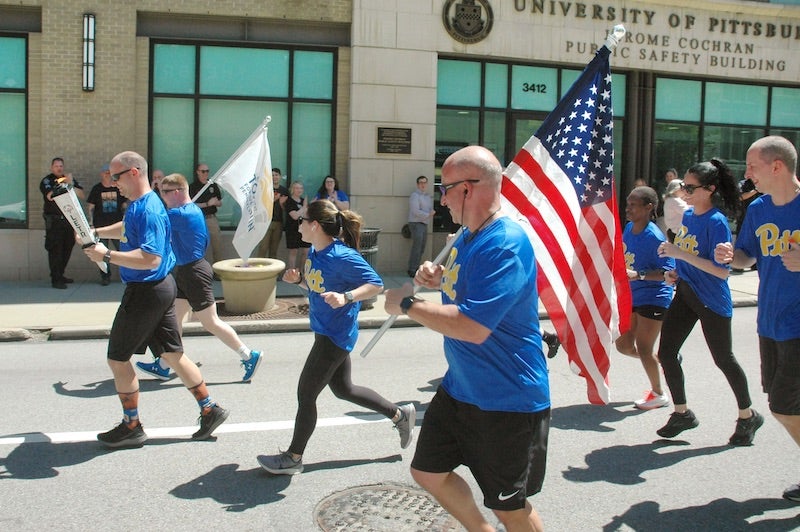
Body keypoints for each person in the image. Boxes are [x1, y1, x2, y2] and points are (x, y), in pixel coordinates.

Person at [384, 146, 550, 531]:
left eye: (445, 187)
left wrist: (408, 304)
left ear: (469, 189)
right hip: (461, 388)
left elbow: (474, 327)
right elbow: (468, 286)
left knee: (510, 507)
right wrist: (438, 277)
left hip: (507, 399)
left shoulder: (504, 242)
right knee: (428, 471)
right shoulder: (467, 236)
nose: (440, 197)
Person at [257, 199, 415, 475]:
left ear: (315, 225)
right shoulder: (315, 253)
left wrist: (347, 296)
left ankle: (293, 457)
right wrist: (298, 282)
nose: (299, 223)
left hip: (335, 335)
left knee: (306, 393)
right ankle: (400, 414)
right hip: (324, 330)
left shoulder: (342, 256)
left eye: (303, 219)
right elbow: (317, 287)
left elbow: (376, 284)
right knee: (344, 389)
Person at [83, 151, 228, 448]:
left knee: (118, 359)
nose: (113, 183)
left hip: (146, 291)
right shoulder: (141, 205)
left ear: (134, 172)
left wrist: (107, 255)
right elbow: (127, 229)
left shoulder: (148, 208)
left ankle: (132, 426)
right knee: (173, 354)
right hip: (160, 288)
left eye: (116, 176)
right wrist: (95, 232)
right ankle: (210, 409)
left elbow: (150, 258)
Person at [714, 135, 800, 502]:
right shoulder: (761, 208)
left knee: (784, 404)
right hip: (770, 322)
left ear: (776, 166)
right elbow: (748, 257)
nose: (746, 174)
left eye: (752, 166)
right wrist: (730, 255)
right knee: (781, 402)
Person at [655, 158, 762, 445]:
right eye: (683, 187)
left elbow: (721, 270)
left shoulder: (716, 222)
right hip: (687, 292)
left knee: (723, 360)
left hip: (712, 299)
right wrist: (676, 272)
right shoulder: (688, 216)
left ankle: (747, 415)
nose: (684, 192)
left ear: (710, 189)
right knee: (666, 353)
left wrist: (680, 254)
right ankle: (682, 413)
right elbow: (691, 257)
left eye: (690, 187)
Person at [134, 172, 263, 383]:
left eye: (164, 192)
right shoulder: (185, 209)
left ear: (176, 192)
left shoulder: (182, 214)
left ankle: (249, 355)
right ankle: (165, 364)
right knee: (174, 320)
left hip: (194, 272)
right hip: (186, 271)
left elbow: (151, 218)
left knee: (210, 322)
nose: (161, 195)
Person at [616, 186, 675, 410]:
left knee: (643, 347)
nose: (627, 209)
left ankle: (658, 393)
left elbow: (668, 274)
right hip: (633, 295)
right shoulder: (630, 228)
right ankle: (666, 363)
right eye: (628, 204)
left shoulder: (654, 237)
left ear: (648, 207)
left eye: (633, 205)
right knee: (622, 345)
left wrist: (638, 275)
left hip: (655, 296)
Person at [40, 157, 84, 289]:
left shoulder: (68, 179)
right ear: (51, 167)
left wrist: (69, 184)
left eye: (61, 166)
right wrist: (62, 185)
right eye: (56, 166)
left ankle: (60, 274)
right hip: (54, 221)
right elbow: (50, 196)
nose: (59, 168)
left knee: (67, 248)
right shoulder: (47, 181)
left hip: (68, 220)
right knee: (55, 250)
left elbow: (81, 194)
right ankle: (56, 279)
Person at [86, 163, 128, 286]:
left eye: (109, 173)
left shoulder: (117, 188)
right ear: (101, 174)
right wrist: (91, 223)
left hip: (117, 227)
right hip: (101, 227)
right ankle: (105, 277)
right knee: (102, 253)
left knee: (123, 250)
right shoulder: (96, 189)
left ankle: (127, 274)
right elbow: (91, 208)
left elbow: (124, 206)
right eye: (105, 173)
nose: (107, 175)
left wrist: (126, 221)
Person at [188, 163, 223, 265]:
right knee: (198, 245)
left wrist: (216, 202)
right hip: (198, 219)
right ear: (198, 172)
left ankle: (218, 271)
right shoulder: (193, 187)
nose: (205, 173)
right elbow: (191, 205)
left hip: (211, 218)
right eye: (203, 171)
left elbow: (220, 202)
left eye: (207, 171)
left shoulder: (212, 185)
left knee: (217, 245)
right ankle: (199, 270)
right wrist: (207, 204)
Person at [257, 168, 289, 258]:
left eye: (276, 175)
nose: (274, 177)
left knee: (274, 250)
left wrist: (282, 204)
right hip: (265, 222)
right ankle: (259, 271)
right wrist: (274, 199)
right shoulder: (265, 189)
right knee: (263, 248)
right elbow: (260, 205)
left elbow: (287, 209)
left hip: (278, 222)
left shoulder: (284, 191)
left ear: (280, 176)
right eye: (272, 175)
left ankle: (272, 272)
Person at [406, 175, 434, 278]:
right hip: (416, 224)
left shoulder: (427, 196)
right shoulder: (415, 195)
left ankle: (416, 268)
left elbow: (430, 209)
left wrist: (429, 214)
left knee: (421, 247)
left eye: (424, 182)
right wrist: (428, 215)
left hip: (424, 223)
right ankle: (412, 269)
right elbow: (415, 211)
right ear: (418, 184)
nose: (423, 184)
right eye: (421, 183)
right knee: (417, 248)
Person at [284, 180, 310, 271]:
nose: (299, 190)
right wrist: (303, 208)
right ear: (292, 189)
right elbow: (294, 216)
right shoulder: (289, 201)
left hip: (304, 229)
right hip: (292, 229)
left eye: (301, 188)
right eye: (297, 188)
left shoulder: (303, 201)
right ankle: (291, 272)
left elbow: (306, 215)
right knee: (293, 251)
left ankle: (301, 271)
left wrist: (303, 210)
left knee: (306, 251)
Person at [661, 178, 689, 243]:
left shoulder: (669, 200)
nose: (684, 191)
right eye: (682, 188)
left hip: (672, 231)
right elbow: (688, 212)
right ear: (676, 189)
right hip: (676, 232)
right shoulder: (674, 200)